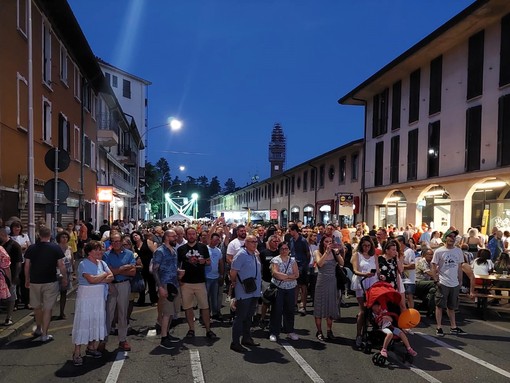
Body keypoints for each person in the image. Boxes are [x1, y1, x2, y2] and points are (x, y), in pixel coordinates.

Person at [71, 241, 113, 366]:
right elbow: (91, 280)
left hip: (99, 298)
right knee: (83, 322)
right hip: (86, 298)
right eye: (96, 250)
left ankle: (91, 347)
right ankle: (77, 352)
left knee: (95, 321)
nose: (99, 252)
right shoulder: (84, 264)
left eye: (100, 250)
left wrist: (101, 277)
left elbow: (111, 277)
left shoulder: (102, 263)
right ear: (89, 252)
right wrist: (104, 275)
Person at [24, 226, 67, 342]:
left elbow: (27, 265)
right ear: (50, 236)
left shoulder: (31, 248)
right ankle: (44, 334)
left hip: (35, 281)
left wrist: (27, 279)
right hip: (50, 281)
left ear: (39, 235)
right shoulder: (55, 248)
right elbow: (61, 265)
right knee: (48, 309)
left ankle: (38, 328)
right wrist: (65, 278)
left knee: (37, 307)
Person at [177, 227, 217, 339]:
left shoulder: (203, 247)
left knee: (205, 306)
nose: (191, 236)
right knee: (188, 307)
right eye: (189, 234)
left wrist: (203, 261)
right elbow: (178, 265)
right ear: (186, 235)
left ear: (196, 235)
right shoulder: (181, 249)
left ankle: (208, 330)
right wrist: (179, 279)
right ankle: (191, 329)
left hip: (200, 281)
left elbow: (209, 262)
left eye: (193, 234)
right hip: (186, 282)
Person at [431, 229, 470, 336]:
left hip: (455, 282)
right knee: (439, 305)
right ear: (445, 238)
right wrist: (436, 280)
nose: (452, 239)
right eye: (450, 236)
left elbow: (459, 267)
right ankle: (439, 327)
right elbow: (434, 265)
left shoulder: (458, 251)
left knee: (452, 306)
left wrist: (460, 280)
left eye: (454, 237)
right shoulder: (439, 251)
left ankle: (453, 326)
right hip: (443, 281)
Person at [101, 232, 136, 351]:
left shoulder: (129, 254)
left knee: (123, 313)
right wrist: (122, 268)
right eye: (113, 241)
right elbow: (108, 272)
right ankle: (103, 340)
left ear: (122, 242)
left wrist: (116, 271)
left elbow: (133, 272)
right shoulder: (106, 255)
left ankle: (122, 339)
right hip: (111, 285)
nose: (115, 243)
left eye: (118, 241)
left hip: (124, 285)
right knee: (108, 313)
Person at [229, 235, 262, 352]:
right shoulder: (241, 254)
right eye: (252, 242)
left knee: (249, 316)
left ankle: (247, 338)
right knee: (241, 316)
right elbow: (233, 272)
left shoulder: (254, 254)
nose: (254, 243)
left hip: (254, 290)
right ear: (246, 243)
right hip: (244, 291)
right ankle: (235, 342)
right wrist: (233, 284)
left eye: (256, 242)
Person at [152, 230, 181, 349]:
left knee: (172, 312)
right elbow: (154, 270)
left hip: (174, 283)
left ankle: (167, 333)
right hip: (165, 284)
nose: (176, 238)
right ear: (167, 237)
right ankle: (164, 338)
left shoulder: (173, 250)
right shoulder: (160, 251)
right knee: (167, 313)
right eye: (174, 236)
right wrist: (160, 287)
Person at [313, 236, 344, 341]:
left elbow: (342, 263)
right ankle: (319, 331)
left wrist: (337, 253)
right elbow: (320, 264)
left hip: (332, 281)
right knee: (319, 305)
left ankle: (329, 330)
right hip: (322, 281)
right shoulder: (318, 252)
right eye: (326, 242)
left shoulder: (334, 253)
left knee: (330, 306)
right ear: (322, 243)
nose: (329, 243)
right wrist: (326, 252)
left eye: (330, 242)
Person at [268, 242, 299, 342]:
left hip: (290, 288)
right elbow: (275, 273)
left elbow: (296, 274)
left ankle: (290, 330)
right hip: (279, 288)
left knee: (290, 309)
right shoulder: (275, 260)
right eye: (282, 249)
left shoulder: (293, 260)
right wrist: (290, 277)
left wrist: (285, 277)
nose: (284, 250)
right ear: (279, 250)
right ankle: (274, 332)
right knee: (277, 310)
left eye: (286, 249)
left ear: (289, 250)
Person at [351, 235, 379, 348]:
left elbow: (377, 270)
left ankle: (366, 333)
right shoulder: (357, 255)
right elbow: (355, 270)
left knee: (371, 309)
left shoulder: (374, 256)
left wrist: (379, 275)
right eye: (364, 246)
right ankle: (358, 335)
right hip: (361, 282)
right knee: (362, 310)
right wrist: (364, 274)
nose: (366, 248)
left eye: (368, 246)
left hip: (372, 282)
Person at [0, 228, 22, 325]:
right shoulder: (1, 246)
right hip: (3, 277)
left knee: (11, 297)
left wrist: (16, 276)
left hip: (10, 275)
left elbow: (18, 262)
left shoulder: (14, 245)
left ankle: (8, 318)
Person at [288, 224, 310, 316]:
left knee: (303, 286)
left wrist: (305, 265)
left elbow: (308, 253)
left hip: (302, 265)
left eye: (291, 230)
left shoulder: (303, 240)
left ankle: (303, 305)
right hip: (294, 265)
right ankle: (294, 304)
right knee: (295, 285)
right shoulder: (291, 240)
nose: (290, 232)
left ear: (295, 230)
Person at [130, 230, 158, 306]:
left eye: (136, 235)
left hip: (149, 265)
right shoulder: (134, 246)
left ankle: (154, 300)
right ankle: (141, 300)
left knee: (151, 283)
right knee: (141, 284)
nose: (135, 237)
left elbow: (155, 252)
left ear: (140, 235)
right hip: (140, 267)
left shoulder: (147, 242)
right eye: (133, 236)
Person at [10, 221, 31, 309]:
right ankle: (15, 302)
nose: (17, 229)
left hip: (24, 262)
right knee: (15, 283)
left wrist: (22, 247)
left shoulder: (24, 236)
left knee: (25, 282)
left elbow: (28, 246)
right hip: (14, 263)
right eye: (15, 227)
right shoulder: (10, 238)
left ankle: (26, 302)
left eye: (18, 227)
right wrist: (20, 248)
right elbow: (13, 249)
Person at [205, 232, 224, 321]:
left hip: (215, 277)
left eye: (218, 240)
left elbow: (220, 263)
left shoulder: (218, 250)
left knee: (214, 297)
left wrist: (221, 274)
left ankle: (215, 313)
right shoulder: (205, 249)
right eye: (215, 239)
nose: (217, 241)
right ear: (211, 239)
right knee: (206, 297)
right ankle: (205, 314)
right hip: (206, 277)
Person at [56, 231, 73, 320]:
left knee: (64, 293)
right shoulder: (56, 248)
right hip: (57, 272)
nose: (64, 239)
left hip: (67, 272)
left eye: (66, 237)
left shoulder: (69, 248)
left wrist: (72, 273)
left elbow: (71, 261)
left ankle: (61, 312)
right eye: (63, 237)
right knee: (53, 293)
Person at [415, 247, 436, 317]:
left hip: (426, 283)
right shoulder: (422, 262)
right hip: (418, 282)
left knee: (433, 290)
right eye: (429, 254)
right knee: (435, 283)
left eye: (432, 254)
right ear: (424, 255)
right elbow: (430, 273)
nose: (431, 256)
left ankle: (430, 310)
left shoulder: (430, 263)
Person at [397, 236, 416, 309]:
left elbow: (412, 265)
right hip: (400, 279)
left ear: (401, 242)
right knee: (401, 297)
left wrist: (401, 266)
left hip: (409, 279)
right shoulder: (397, 252)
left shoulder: (409, 251)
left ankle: (411, 313)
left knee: (409, 296)